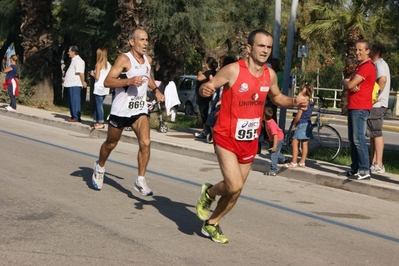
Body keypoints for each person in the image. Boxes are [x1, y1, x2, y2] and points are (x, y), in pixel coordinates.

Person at [195, 29, 309, 243]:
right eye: (260, 46)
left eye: (268, 47)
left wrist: (295, 102)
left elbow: (276, 97)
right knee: (234, 184)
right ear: (249, 48)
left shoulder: (270, 74)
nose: (265, 50)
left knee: (235, 191)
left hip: (249, 140)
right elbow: (208, 87)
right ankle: (209, 193)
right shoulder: (233, 71)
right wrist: (206, 90)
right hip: (226, 136)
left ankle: (211, 223)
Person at [91, 27, 164, 195]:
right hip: (121, 110)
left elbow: (148, 78)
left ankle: (140, 179)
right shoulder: (124, 59)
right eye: (141, 40)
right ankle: (100, 166)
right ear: (132, 42)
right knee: (111, 143)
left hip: (139, 109)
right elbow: (108, 82)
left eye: (147, 40)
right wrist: (129, 80)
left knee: (145, 143)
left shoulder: (148, 60)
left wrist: (156, 90)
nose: (145, 43)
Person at [342, 39, 376, 180]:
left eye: (360, 49)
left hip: (360, 107)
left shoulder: (367, 66)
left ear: (368, 51)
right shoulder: (358, 67)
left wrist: (349, 83)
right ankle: (355, 167)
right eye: (356, 49)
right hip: (353, 106)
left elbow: (349, 85)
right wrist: (348, 81)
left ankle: (364, 169)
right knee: (352, 139)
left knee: (358, 139)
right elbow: (346, 81)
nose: (357, 52)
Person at [367, 43, 391, 174]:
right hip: (375, 104)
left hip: (377, 104)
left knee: (376, 132)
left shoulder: (379, 64)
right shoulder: (377, 64)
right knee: (372, 134)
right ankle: (373, 162)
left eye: (369, 50)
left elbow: (383, 79)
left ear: (375, 51)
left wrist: (375, 96)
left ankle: (379, 163)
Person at [284, 83, 314, 168]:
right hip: (308, 122)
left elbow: (298, 115)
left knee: (294, 142)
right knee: (304, 143)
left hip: (301, 123)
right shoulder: (310, 102)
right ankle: (302, 162)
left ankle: (293, 162)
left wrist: (295, 122)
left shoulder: (303, 103)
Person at [194, 56, 218, 138]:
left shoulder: (209, 72)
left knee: (204, 111)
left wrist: (199, 73)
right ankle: (206, 129)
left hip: (204, 96)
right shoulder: (213, 72)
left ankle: (206, 129)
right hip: (203, 95)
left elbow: (199, 78)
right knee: (206, 111)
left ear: (207, 63)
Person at [63, 45, 87, 122]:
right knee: (71, 101)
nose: (68, 53)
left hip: (75, 84)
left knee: (75, 100)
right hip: (71, 84)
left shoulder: (78, 61)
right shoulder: (74, 60)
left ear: (73, 52)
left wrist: (83, 82)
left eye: (69, 51)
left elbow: (81, 73)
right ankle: (73, 115)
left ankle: (76, 117)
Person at [90, 48, 112, 130]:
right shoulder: (108, 64)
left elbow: (97, 77)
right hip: (105, 86)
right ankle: (95, 120)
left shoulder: (98, 64)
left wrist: (93, 74)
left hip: (99, 86)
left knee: (99, 105)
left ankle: (101, 122)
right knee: (98, 104)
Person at [263, 107, 286, 176]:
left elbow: (275, 136)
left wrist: (274, 146)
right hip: (272, 140)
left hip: (278, 139)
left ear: (263, 116)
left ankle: (273, 170)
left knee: (273, 154)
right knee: (273, 152)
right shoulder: (267, 122)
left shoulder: (271, 124)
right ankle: (283, 159)